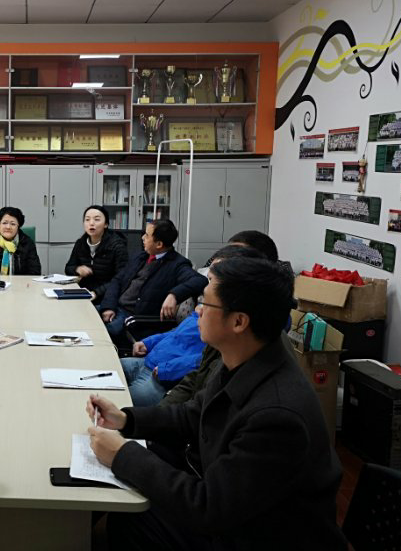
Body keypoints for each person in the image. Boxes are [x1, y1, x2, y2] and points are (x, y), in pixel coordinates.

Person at [87, 257, 345, 550]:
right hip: (235, 512)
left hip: (260, 537)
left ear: (238, 322)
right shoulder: (244, 357)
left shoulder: (277, 416)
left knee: (132, 517)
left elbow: (209, 508)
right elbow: (193, 414)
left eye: (205, 303)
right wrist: (126, 419)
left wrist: (123, 455)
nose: (197, 310)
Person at [121, 245, 266, 407]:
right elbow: (176, 332)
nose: (205, 290)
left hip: (160, 375)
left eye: (213, 281)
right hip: (149, 361)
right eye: (209, 280)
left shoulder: (225, 335)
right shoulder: (207, 312)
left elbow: (198, 364)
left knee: (118, 402)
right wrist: (148, 342)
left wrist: (166, 369)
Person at [99, 219, 207, 340]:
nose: (142, 238)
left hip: (134, 318)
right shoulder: (141, 256)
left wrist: (174, 295)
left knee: (99, 333)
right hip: (116, 308)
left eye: (147, 235)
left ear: (159, 244)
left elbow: (200, 280)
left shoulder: (177, 264)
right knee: (87, 316)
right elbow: (117, 280)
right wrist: (109, 306)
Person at [64, 205, 128, 302]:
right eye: (87, 219)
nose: (91, 223)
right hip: (83, 293)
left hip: (106, 297)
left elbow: (121, 278)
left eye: (97, 219)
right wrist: (77, 269)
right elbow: (68, 268)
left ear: (106, 224)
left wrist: (97, 293)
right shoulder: (80, 243)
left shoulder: (117, 246)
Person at [0, 206, 41, 276]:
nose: (8, 227)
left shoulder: (28, 243)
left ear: (18, 226)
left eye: (13, 224)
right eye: (4, 223)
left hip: (21, 283)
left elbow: (35, 272)